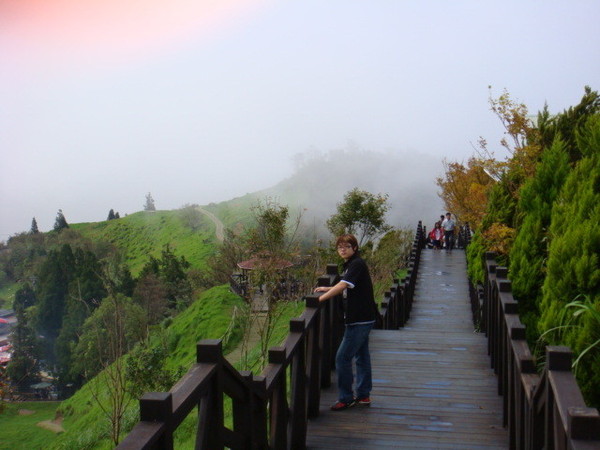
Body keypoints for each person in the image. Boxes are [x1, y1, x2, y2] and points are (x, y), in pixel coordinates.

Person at [314, 234, 377, 411]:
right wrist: (328, 288)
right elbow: (346, 284)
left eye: (346, 246)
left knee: (342, 358)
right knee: (362, 356)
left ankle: (346, 398)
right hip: (363, 317)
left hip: (359, 320)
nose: (342, 249)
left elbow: (343, 286)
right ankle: (364, 395)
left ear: (354, 248)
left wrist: (320, 299)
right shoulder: (352, 264)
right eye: (340, 247)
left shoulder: (356, 264)